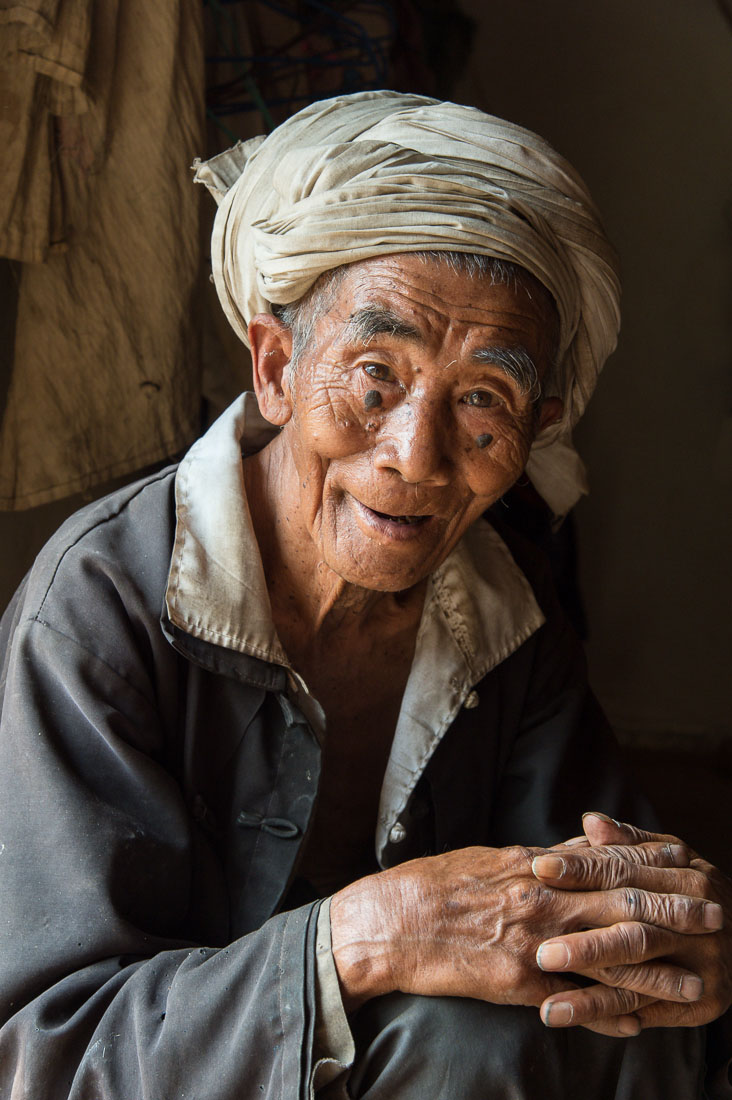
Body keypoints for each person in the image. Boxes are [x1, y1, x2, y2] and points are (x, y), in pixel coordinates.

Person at [0, 91, 729, 1099]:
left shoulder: (510, 620)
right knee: (463, 1040)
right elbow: (49, 1053)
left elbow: (607, 930)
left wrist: (680, 944)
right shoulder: (99, 611)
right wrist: (367, 934)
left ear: (540, 428)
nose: (417, 458)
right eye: (375, 375)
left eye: (484, 397)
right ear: (275, 367)